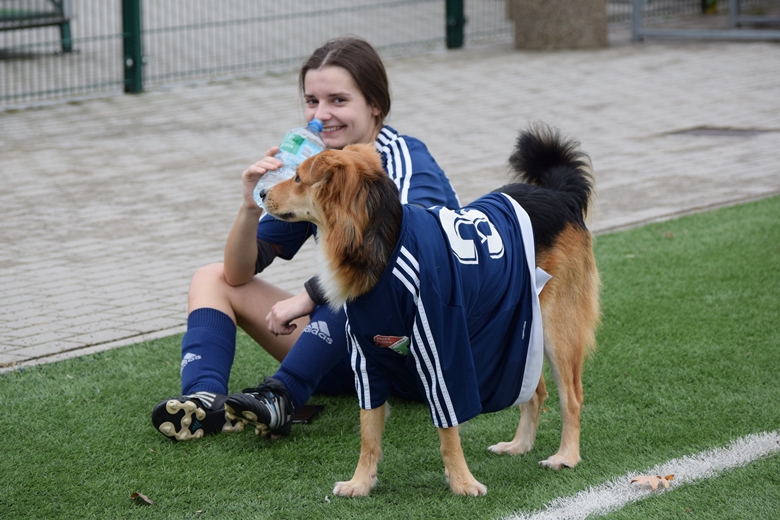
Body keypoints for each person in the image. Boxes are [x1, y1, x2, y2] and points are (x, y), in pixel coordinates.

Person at [151, 37, 461, 441]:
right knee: (211, 278)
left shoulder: (400, 159)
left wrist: (308, 298)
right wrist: (250, 205)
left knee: (355, 284)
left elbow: (412, 255)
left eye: (337, 100)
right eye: (312, 101)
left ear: (375, 105)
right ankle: (205, 402)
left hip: (421, 356)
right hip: (351, 353)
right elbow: (239, 271)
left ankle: (282, 395)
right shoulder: (317, 168)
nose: (321, 115)